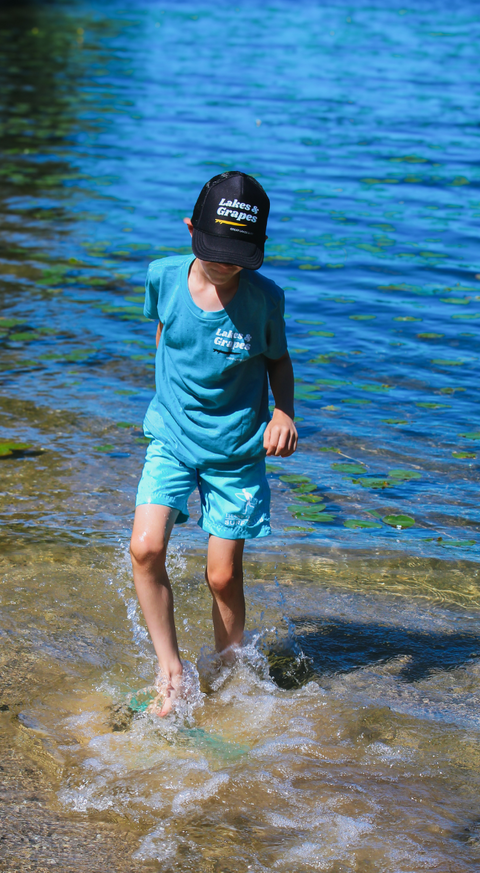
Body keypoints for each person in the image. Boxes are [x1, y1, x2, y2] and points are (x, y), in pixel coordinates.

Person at [129, 170, 298, 716]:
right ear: (190, 231)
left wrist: (283, 411)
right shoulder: (162, 277)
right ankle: (171, 670)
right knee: (145, 547)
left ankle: (229, 665)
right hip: (173, 438)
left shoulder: (263, 299)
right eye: (214, 250)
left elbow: (278, 360)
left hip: (236, 452)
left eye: (238, 256)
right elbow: (167, 336)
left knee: (221, 575)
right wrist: (171, 401)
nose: (225, 264)